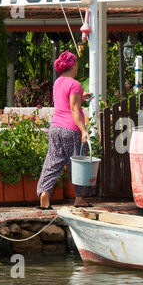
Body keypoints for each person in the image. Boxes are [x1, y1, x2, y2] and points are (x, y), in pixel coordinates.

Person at [36, 50, 94, 210]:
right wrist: (84, 130)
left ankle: (44, 194)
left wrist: (83, 97)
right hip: (71, 129)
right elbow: (74, 110)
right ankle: (80, 199)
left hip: (55, 127)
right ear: (73, 66)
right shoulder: (75, 84)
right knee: (77, 163)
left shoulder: (58, 82)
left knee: (52, 162)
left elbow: (66, 101)